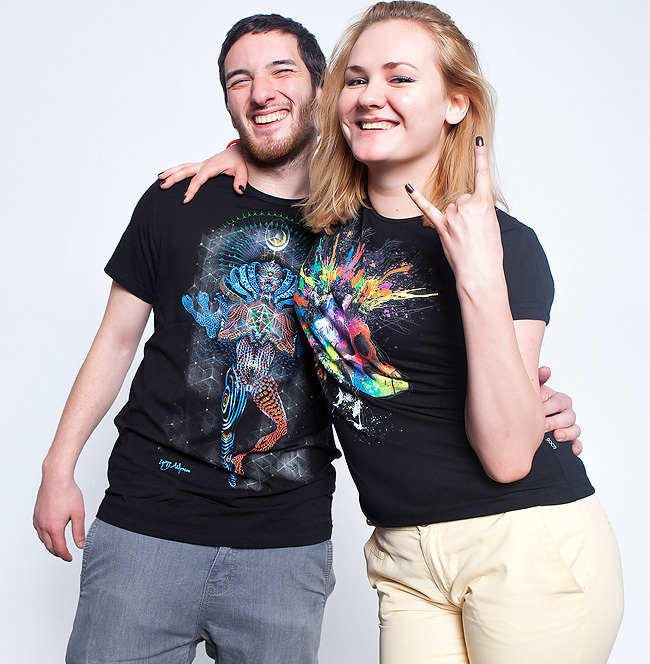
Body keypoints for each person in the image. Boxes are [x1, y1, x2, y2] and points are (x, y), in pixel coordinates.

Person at [292, 2, 622, 662]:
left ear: (455, 103)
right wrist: (231, 155)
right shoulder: (316, 234)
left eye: (400, 78)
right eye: (355, 79)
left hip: (523, 546)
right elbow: (265, 160)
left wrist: (480, 278)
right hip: (403, 557)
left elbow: (509, 455)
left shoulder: (506, 245)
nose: (371, 96)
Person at [33, 15, 340, 664]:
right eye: (240, 79)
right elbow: (116, 341)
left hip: (285, 545)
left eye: (281, 71)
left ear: (321, 85)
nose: (261, 91)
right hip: (148, 524)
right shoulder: (176, 202)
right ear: (227, 99)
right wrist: (58, 467)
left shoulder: (358, 220)